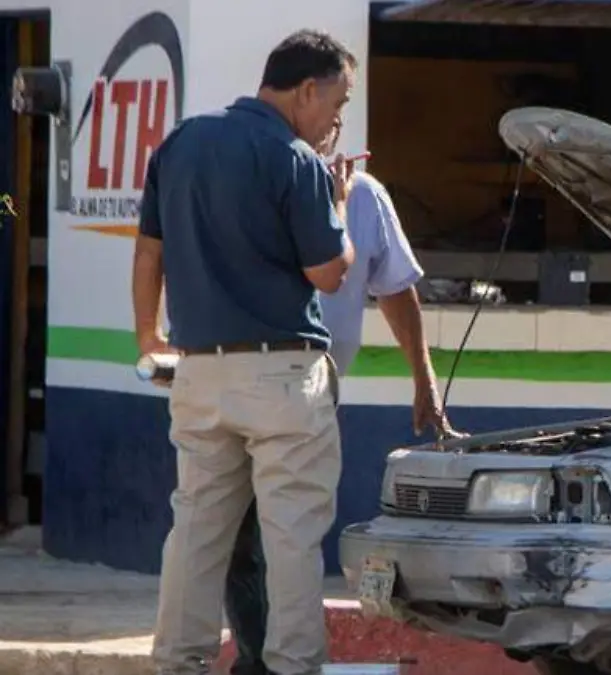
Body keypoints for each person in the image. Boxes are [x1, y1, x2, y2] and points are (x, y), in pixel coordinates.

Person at [132, 29, 358, 675]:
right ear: (307, 89)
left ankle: (178, 660)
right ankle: (292, 664)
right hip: (284, 374)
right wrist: (336, 206)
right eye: (336, 104)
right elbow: (328, 274)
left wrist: (149, 337)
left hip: (199, 369)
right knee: (291, 534)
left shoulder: (182, 142)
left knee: (197, 532)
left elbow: (149, 251)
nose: (335, 120)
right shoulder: (296, 159)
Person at [221, 118, 461, 675]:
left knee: (289, 534)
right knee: (238, 537)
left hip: (314, 394)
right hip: (245, 383)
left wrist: (423, 377)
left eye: (334, 125)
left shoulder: (366, 196)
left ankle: (281, 660)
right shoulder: (262, 183)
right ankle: (256, 660)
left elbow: (397, 289)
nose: (324, 136)